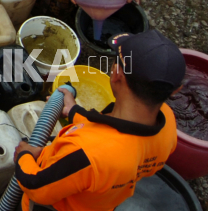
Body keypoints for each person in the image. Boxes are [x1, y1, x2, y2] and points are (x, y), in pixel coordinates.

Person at [15, 29, 185, 211]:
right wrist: (74, 111)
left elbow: (35, 186)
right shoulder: (168, 122)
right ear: (175, 90)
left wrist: (24, 155)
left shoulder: (88, 154)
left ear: (117, 73)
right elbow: (109, 129)